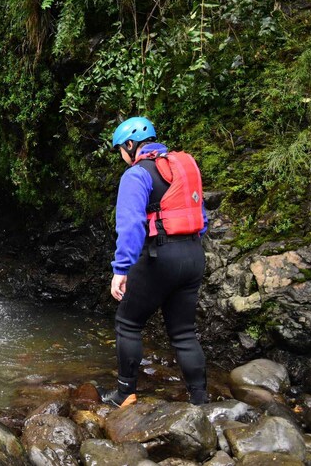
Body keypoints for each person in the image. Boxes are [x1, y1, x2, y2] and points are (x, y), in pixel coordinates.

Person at [103, 116, 209, 407]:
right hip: (193, 254)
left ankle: (125, 394)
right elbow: (202, 215)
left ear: (130, 145)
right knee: (184, 331)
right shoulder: (184, 166)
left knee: (128, 322)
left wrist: (121, 269)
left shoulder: (137, 175)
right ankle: (200, 399)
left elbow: (131, 226)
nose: (122, 158)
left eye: (121, 151)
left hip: (158, 257)